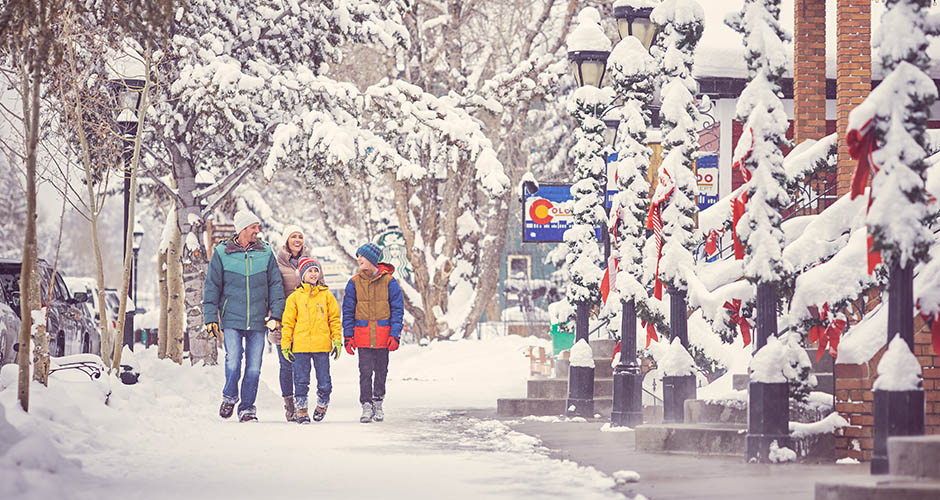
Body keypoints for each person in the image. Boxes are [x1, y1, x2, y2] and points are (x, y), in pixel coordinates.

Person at [203, 209, 285, 422]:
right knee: (233, 361)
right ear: (241, 229)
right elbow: (212, 286)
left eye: (258, 227)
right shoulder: (222, 253)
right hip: (231, 317)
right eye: (253, 227)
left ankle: (247, 407)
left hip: (258, 319)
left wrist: (276, 315)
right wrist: (210, 317)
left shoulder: (266, 253)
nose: (257, 231)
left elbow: (275, 284)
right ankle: (230, 396)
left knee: (254, 366)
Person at [342, 242, 404, 423]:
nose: (358, 259)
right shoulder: (353, 283)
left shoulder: (389, 282)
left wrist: (395, 334)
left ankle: (378, 402)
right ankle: (366, 405)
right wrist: (348, 336)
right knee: (365, 371)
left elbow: (397, 310)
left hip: (383, 336)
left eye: (361, 256)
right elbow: (348, 311)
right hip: (362, 336)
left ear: (372, 259)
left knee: (381, 370)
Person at [280, 257, 342, 424]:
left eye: (316, 270)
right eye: (310, 271)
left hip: (322, 346)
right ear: (302, 275)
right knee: (301, 380)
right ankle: (301, 410)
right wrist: (286, 346)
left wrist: (337, 340)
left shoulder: (327, 296)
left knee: (324, 381)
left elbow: (334, 320)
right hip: (300, 347)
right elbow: (288, 323)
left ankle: (322, 404)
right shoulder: (294, 298)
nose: (314, 274)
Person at [271, 225, 309, 422]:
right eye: (293, 236)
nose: (297, 240)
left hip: (306, 323)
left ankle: (302, 402)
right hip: (283, 321)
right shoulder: (276, 264)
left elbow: (320, 287)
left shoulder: (311, 261)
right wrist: (272, 318)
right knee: (286, 364)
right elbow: (271, 292)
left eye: (300, 236)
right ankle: (289, 404)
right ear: (287, 240)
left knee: (301, 364)